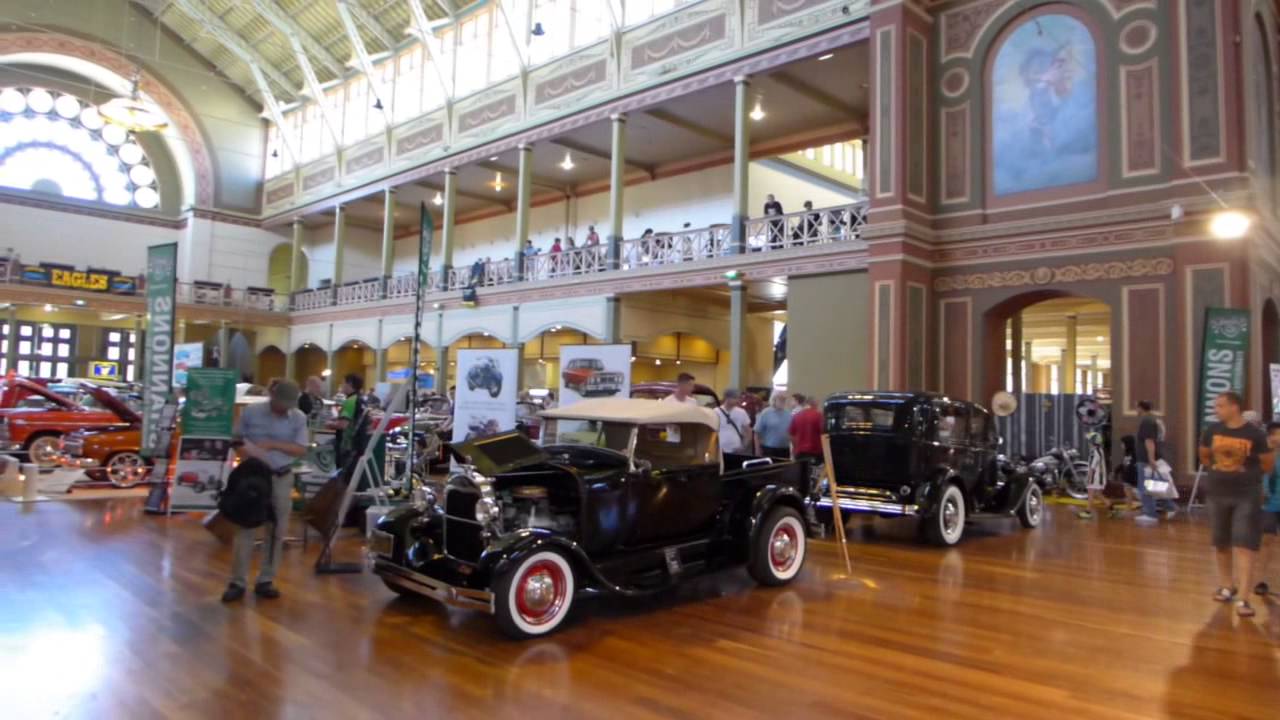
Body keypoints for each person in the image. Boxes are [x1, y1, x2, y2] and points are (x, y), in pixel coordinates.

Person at [222, 380, 309, 603]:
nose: (284, 408)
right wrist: (247, 452)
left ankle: (266, 579)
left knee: (277, 529)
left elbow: (300, 449)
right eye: (281, 402)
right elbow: (235, 439)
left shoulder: (298, 418)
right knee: (246, 526)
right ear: (272, 395)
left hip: (281, 476)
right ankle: (237, 581)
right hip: (253, 475)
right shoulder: (251, 412)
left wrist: (272, 444)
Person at [1199, 391, 1274, 617]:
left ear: (1234, 407)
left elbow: (1267, 464)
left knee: (1244, 546)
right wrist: (1220, 470)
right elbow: (1204, 456)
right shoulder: (1212, 431)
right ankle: (1226, 585)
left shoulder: (1255, 434)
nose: (1216, 410)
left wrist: (1245, 474)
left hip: (1246, 496)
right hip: (1217, 494)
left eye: (1220, 406)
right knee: (1221, 543)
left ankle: (1244, 598)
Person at [1134, 400, 1176, 525]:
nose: (1136, 410)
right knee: (1156, 485)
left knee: (1145, 487)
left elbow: (1149, 440)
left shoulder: (1147, 421)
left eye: (1136, 408)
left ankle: (1150, 514)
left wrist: (1151, 458)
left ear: (1141, 408)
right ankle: (1170, 507)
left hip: (1146, 459)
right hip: (1154, 457)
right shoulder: (1156, 419)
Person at [1257, 421, 1280, 597]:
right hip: (1270, 504)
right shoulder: (1265, 454)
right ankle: (1261, 580)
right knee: (1267, 540)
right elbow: (1261, 475)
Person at [330, 373, 367, 470]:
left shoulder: (350, 401)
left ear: (349, 384)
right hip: (358, 445)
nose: (341, 386)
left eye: (343, 383)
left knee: (342, 476)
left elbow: (343, 425)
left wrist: (328, 424)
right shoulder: (361, 399)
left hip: (348, 446)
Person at [754, 391, 792, 459]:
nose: (783, 401)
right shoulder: (766, 413)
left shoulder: (789, 414)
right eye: (780, 399)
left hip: (785, 449)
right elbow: (757, 432)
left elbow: (791, 433)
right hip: (769, 449)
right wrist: (757, 449)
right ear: (774, 400)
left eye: (784, 399)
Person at [716, 389, 754, 455]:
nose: (738, 400)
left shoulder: (742, 412)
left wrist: (743, 447)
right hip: (719, 449)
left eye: (738, 398)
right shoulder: (715, 412)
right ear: (727, 398)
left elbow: (748, 431)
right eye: (735, 398)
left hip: (736, 449)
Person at [789, 394, 823, 463]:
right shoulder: (819, 416)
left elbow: (791, 434)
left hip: (799, 452)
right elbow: (824, 433)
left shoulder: (796, 416)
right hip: (815, 451)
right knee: (813, 473)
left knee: (801, 472)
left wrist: (795, 447)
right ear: (814, 404)